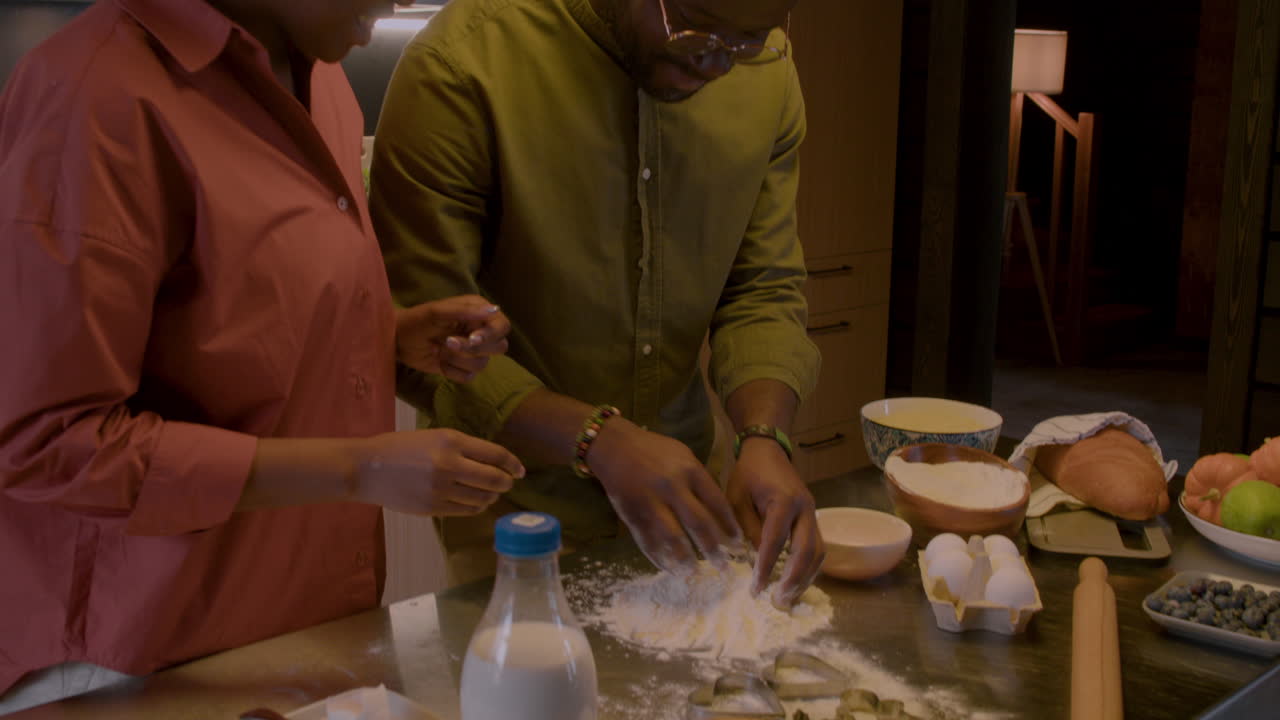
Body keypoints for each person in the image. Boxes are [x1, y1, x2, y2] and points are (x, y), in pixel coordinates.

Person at [0, 0, 526, 712]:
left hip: (295, 624)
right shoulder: (96, 96)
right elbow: (46, 442)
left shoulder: (322, 76)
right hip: (142, 654)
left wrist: (386, 334)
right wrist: (359, 468)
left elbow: (219, 324)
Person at [371, 0, 823, 608]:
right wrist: (598, 441)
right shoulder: (462, 63)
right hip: (515, 508)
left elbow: (761, 286)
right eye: (693, 26)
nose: (716, 62)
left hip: (691, 494)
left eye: (746, 39)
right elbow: (421, 339)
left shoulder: (767, 74)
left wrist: (764, 438)